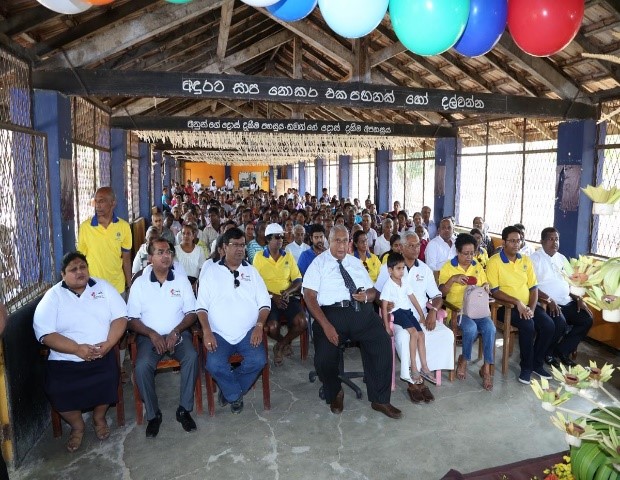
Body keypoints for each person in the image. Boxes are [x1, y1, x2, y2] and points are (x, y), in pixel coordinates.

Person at [302, 225, 401, 419]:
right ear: (329, 241)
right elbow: (309, 296)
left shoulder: (355, 263)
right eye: (336, 240)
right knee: (323, 358)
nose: (341, 245)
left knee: (381, 342)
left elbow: (373, 292)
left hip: (360, 311)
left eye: (344, 240)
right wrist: (326, 325)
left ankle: (380, 399)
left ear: (349, 243)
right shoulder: (318, 264)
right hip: (331, 314)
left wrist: (368, 296)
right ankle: (335, 391)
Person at [33, 251, 127, 452]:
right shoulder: (54, 296)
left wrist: (109, 343)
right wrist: (76, 349)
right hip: (66, 359)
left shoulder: (103, 287)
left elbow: (121, 317)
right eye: (73, 269)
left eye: (82, 267)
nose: (79, 272)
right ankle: (77, 426)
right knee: (56, 389)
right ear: (63, 274)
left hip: (101, 353)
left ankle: (99, 417)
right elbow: (44, 333)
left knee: (109, 378)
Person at [127, 238, 199, 438]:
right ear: (150, 258)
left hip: (178, 333)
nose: (166, 256)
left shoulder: (181, 280)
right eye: (160, 252)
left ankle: (184, 410)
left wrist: (176, 331)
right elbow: (131, 319)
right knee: (142, 367)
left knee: (192, 358)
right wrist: (151, 334)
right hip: (149, 337)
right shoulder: (140, 283)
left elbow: (192, 313)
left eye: (168, 252)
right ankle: (153, 415)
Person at [375, 231, 454, 404]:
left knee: (445, 334)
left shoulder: (424, 269)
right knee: (405, 337)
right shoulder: (389, 267)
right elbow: (377, 293)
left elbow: (437, 295)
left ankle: (424, 373)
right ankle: (413, 382)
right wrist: (386, 308)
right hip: (398, 317)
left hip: (421, 315)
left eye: (418, 245)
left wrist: (433, 311)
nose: (415, 248)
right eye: (411, 245)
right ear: (401, 248)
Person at [196, 228, 270, 414]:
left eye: (242, 245)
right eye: (234, 245)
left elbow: (265, 304)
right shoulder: (210, 272)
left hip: (248, 332)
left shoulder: (252, 272)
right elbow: (201, 308)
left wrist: (259, 326)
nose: (240, 249)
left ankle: (230, 391)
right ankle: (235, 394)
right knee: (213, 364)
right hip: (219, 334)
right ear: (223, 247)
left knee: (259, 360)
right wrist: (206, 331)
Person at [486, 226, 557, 384]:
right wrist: (517, 302)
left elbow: (533, 288)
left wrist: (531, 309)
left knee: (549, 325)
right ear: (504, 242)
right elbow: (495, 292)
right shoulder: (494, 261)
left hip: (527, 305)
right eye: (512, 241)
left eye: (519, 240)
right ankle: (526, 366)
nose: (516, 244)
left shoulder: (525, 260)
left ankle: (536, 364)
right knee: (528, 325)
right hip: (505, 307)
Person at [438, 233, 496, 391]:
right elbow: (441, 293)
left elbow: (485, 282)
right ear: (457, 252)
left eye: (473, 253)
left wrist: (486, 287)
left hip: (477, 309)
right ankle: (464, 359)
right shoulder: (448, 267)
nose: (470, 257)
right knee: (470, 328)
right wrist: (453, 279)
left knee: (490, 328)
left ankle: (487, 368)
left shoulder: (476, 265)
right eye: (466, 253)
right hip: (457, 311)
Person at [530, 228, 593, 368]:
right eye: (550, 239)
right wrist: (549, 299)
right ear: (542, 241)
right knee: (559, 323)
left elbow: (569, 283)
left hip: (567, 301)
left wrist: (577, 297)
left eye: (556, 239)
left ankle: (562, 351)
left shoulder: (562, 258)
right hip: (546, 303)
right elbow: (530, 286)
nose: (555, 243)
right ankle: (547, 353)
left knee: (586, 319)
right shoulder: (534, 259)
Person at [253, 223, 307, 366]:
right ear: (268, 239)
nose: (280, 240)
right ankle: (283, 341)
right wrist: (273, 296)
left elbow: (297, 279)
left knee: (302, 322)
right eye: (277, 237)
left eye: (282, 237)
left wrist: (287, 292)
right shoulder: (259, 257)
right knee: (272, 327)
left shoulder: (288, 256)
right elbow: (255, 284)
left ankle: (280, 345)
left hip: (286, 296)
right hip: (268, 298)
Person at [380, 253, 433, 387]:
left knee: (421, 334)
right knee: (414, 333)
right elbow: (384, 305)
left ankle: (425, 367)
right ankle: (413, 367)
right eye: (398, 268)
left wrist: (421, 314)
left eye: (403, 268)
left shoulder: (405, 282)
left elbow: (412, 298)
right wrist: (386, 326)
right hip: (397, 313)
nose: (402, 271)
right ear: (390, 270)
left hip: (407, 312)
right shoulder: (388, 285)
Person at [77, 187, 132, 295]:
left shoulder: (124, 227)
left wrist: (130, 285)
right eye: (96, 201)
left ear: (113, 203)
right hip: (94, 287)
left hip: (117, 286)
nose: (97, 205)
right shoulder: (85, 227)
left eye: (101, 201)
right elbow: (81, 258)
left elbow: (126, 258)